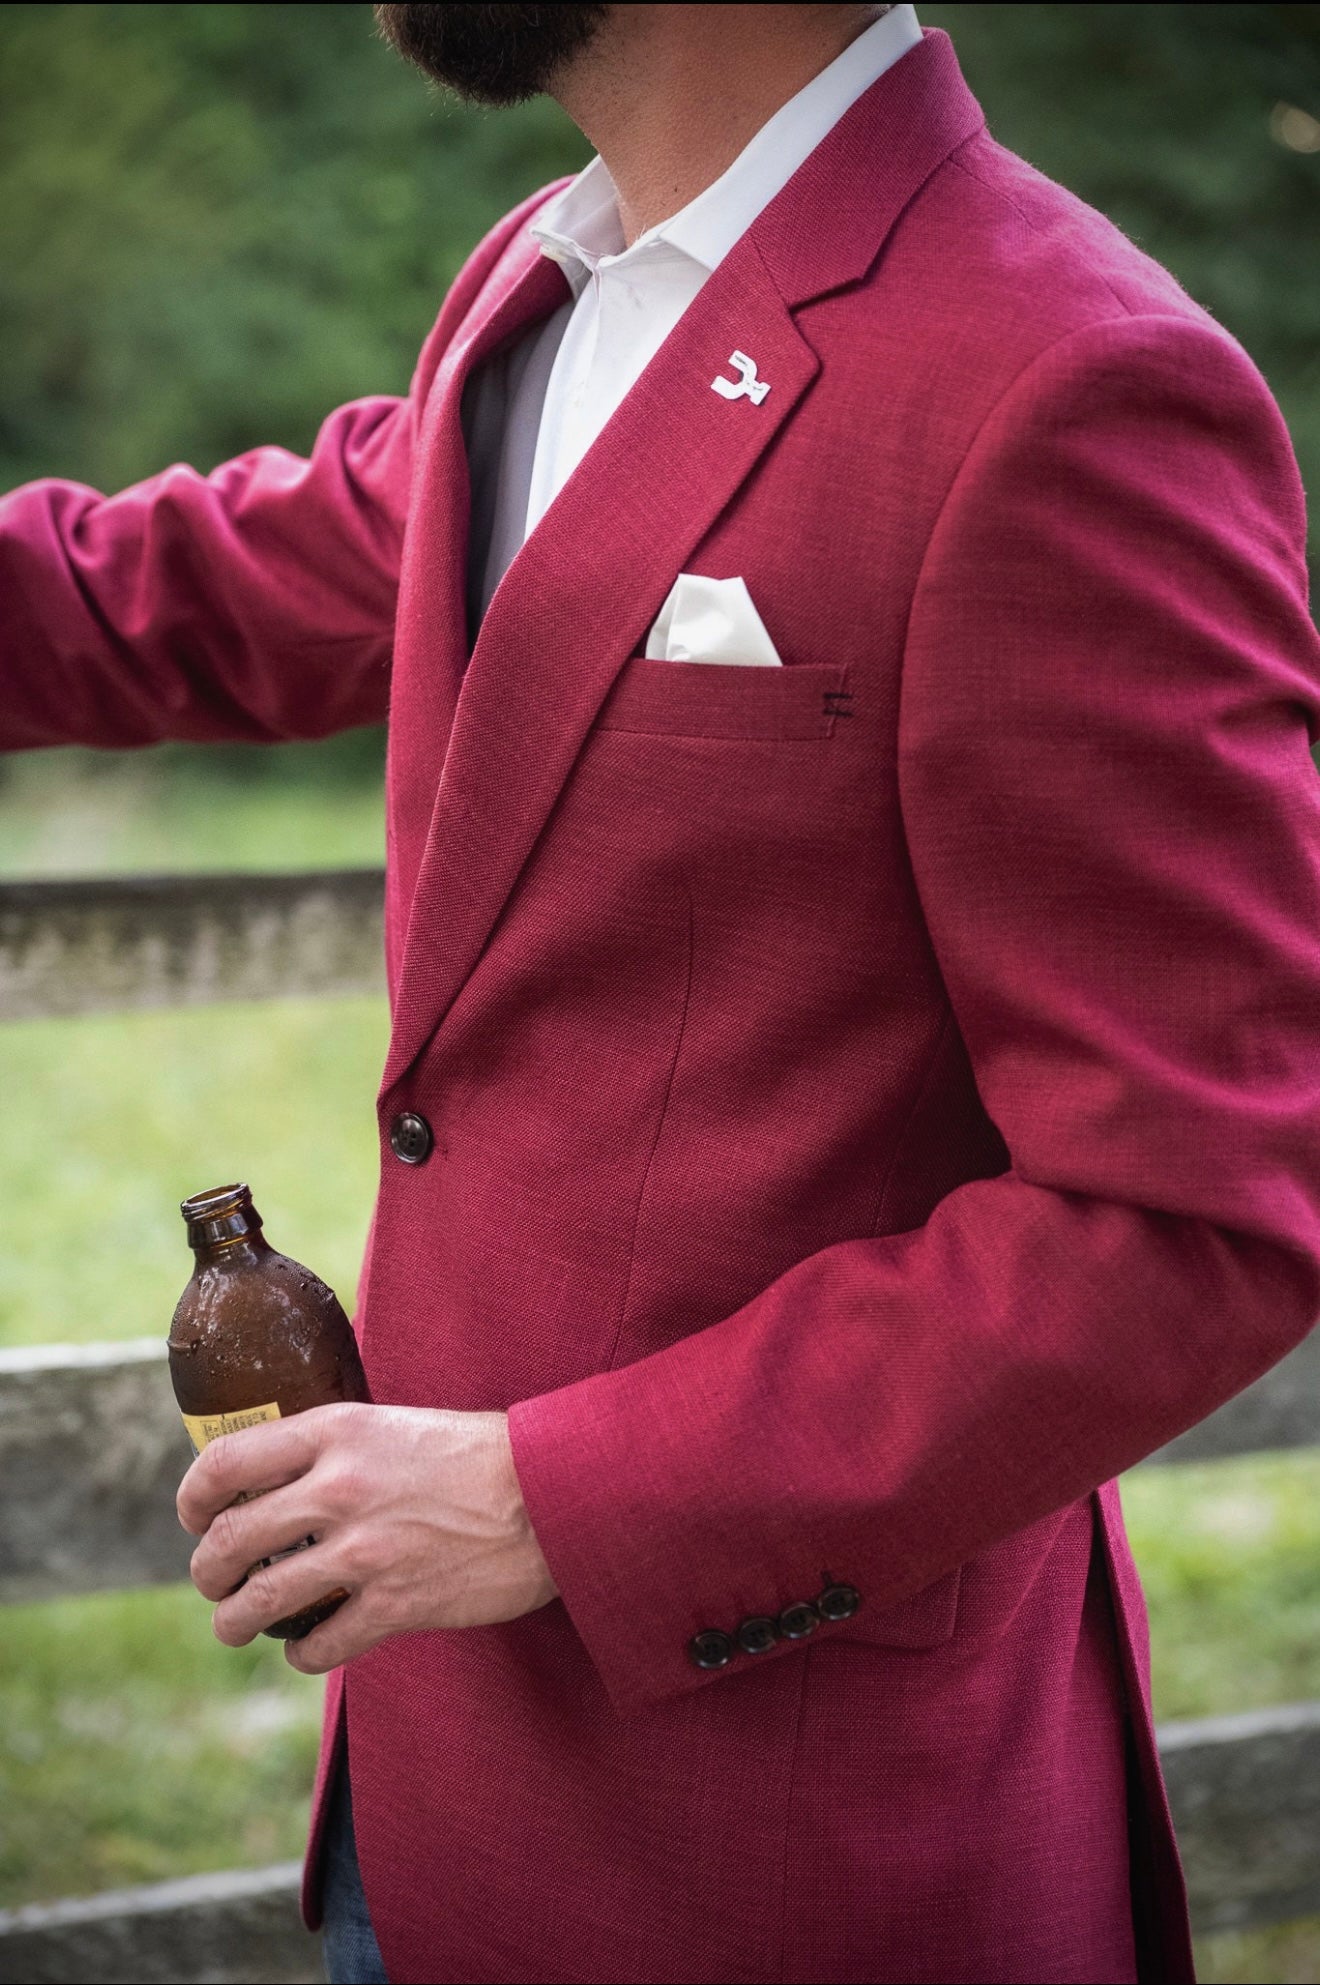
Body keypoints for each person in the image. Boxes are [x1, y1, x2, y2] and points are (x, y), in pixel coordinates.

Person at [4, 4, 1319, 1980]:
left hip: (795, 1852)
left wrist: (552, 1500)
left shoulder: (1074, 383)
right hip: (429, 1801)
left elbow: (1194, 1221)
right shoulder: (539, 289)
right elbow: (181, 587)